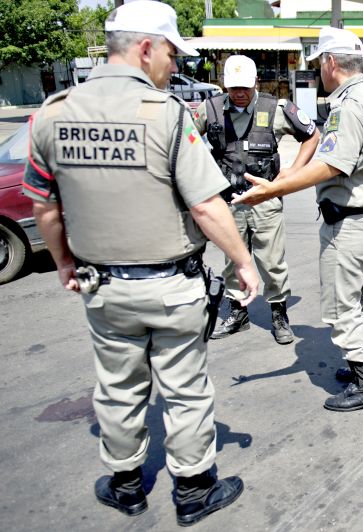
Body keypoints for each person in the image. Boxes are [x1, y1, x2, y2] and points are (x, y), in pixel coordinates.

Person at [22, 1, 260, 526]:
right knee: (186, 389)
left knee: (117, 386)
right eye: (172, 53)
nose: (174, 65)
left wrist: (63, 263)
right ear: (146, 48)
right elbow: (204, 205)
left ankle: (126, 485)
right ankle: (194, 491)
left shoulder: (53, 113)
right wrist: (243, 262)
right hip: (171, 288)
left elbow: (44, 206)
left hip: (102, 287)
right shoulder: (168, 114)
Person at [233, 26, 363, 413]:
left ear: (330, 62)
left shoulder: (348, 105)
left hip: (351, 223)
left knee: (341, 307)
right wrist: (286, 176)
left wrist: (274, 190)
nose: (318, 71)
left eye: (318, 63)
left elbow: (332, 165)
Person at [193, 55, 320, 344]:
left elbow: (312, 136)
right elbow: (184, 138)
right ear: (224, 84)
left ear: (256, 83)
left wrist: (292, 172)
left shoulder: (274, 108)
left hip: (266, 201)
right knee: (231, 260)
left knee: (273, 262)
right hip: (227, 202)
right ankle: (238, 312)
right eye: (233, 87)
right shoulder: (210, 109)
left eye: (245, 87)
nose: (239, 92)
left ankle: (279, 314)